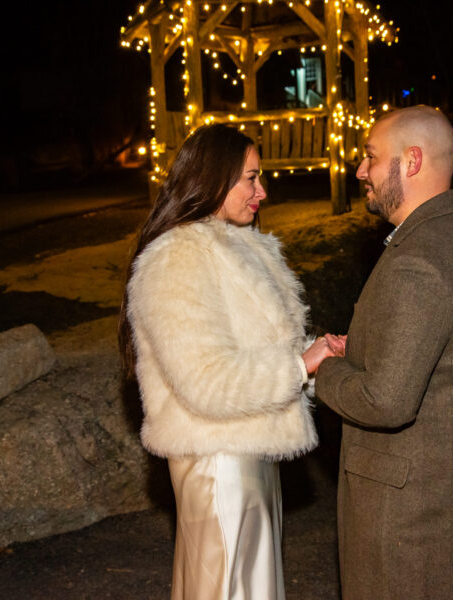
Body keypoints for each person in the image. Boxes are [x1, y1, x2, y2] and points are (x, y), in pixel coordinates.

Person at [118, 123, 334, 600]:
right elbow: (207, 382)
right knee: (228, 589)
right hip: (219, 462)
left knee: (248, 587)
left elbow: (264, 346)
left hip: (250, 450)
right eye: (251, 179)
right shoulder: (178, 258)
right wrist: (300, 367)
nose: (263, 191)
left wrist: (324, 358)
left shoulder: (239, 247)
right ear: (212, 179)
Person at [315, 106, 453, 599]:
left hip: (410, 522)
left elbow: (387, 401)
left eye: (371, 158)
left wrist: (327, 368)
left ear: (412, 161)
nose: (360, 171)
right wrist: (361, 348)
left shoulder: (418, 263)